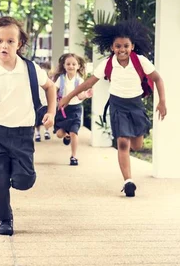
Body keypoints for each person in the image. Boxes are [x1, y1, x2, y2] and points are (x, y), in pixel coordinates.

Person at [0, 16, 56, 236]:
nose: (4, 45)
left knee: (25, 181)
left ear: (19, 44)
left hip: (23, 133)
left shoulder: (31, 69)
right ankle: (4, 218)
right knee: (0, 177)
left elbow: (50, 87)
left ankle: (0, 176)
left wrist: (51, 112)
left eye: (10, 41)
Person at [59, 20, 167, 197]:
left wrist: (162, 100)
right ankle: (128, 181)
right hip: (117, 105)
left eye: (126, 46)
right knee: (122, 143)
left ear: (132, 46)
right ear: (111, 47)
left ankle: (132, 145)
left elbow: (158, 79)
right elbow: (88, 83)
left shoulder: (140, 61)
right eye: (118, 46)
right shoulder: (107, 64)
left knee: (137, 145)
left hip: (136, 105)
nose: (122, 49)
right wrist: (68, 96)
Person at [52, 53, 91, 166]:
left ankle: (73, 156)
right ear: (64, 66)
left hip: (75, 110)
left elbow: (80, 96)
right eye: (68, 64)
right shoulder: (61, 79)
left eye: (74, 64)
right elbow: (54, 90)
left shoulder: (79, 81)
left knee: (74, 132)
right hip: (63, 110)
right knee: (59, 134)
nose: (71, 66)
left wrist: (87, 95)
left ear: (78, 66)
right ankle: (66, 135)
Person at [34, 61, 51, 142]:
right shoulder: (35, 78)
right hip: (37, 103)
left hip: (45, 103)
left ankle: (46, 132)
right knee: (37, 120)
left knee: (45, 118)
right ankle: (37, 134)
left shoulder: (50, 81)